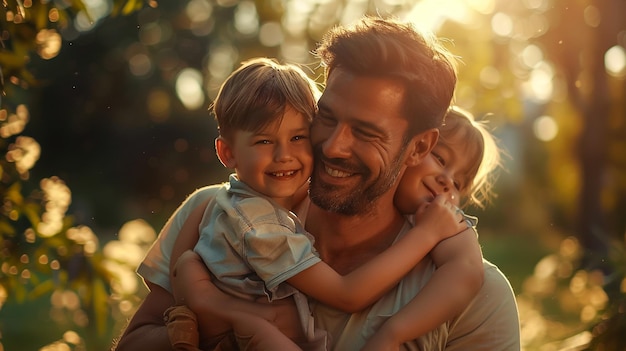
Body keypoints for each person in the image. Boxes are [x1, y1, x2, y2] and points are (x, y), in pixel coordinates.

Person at [114, 15, 521, 351]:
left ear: (418, 147)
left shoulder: (471, 296)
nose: (333, 144)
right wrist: (218, 321)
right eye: (326, 117)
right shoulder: (213, 212)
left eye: (365, 132)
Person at [170, 56, 469, 350]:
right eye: (264, 141)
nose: (284, 155)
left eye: (298, 137)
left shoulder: (225, 205)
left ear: (417, 147)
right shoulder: (257, 223)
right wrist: (427, 233)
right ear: (227, 153)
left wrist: (202, 299)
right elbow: (347, 295)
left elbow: (181, 269)